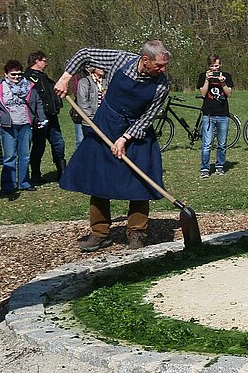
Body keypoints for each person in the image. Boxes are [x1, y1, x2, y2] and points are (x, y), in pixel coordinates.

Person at [53, 42, 171, 251]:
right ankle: (99, 233)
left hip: (137, 131)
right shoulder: (121, 60)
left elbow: (148, 117)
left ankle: (136, 233)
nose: (163, 70)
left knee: (140, 182)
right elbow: (85, 52)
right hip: (105, 126)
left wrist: (125, 138)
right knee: (99, 178)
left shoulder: (162, 84)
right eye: (159, 65)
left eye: (164, 65)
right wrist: (65, 78)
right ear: (145, 60)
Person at [0, 59, 47, 196]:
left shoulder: (30, 86)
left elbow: (38, 103)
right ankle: (8, 184)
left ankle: (24, 182)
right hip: (8, 126)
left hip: (26, 124)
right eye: (13, 74)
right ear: (6, 74)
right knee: (9, 156)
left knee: (25, 155)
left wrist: (42, 118)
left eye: (19, 74)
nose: (16, 77)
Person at [27, 51, 67, 184]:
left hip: (51, 115)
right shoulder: (27, 78)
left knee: (58, 143)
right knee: (39, 146)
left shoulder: (44, 77)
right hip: (38, 118)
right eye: (44, 60)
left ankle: (62, 171)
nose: (46, 63)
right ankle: (36, 174)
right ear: (36, 61)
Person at [196, 54, 234, 178]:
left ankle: (219, 166)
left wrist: (222, 83)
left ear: (220, 65)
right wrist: (207, 80)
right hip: (208, 114)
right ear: (208, 66)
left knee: (222, 143)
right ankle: (205, 168)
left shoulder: (226, 76)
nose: (214, 69)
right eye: (212, 66)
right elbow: (202, 93)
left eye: (216, 66)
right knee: (207, 144)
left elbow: (229, 94)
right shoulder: (203, 76)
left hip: (223, 114)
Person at [74, 65, 106, 145]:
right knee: (85, 144)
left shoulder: (107, 82)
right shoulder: (84, 82)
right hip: (89, 121)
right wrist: (92, 117)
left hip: (104, 120)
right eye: (99, 67)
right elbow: (82, 102)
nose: (102, 69)